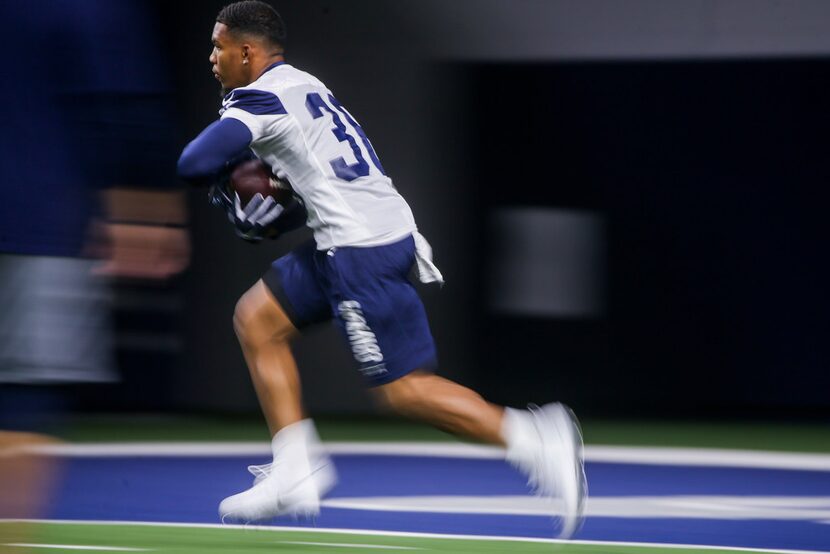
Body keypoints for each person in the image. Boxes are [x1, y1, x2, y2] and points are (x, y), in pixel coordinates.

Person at [177, 0, 586, 538]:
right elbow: (311, 177)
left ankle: (536, 439)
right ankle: (297, 468)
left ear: (247, 51)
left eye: (219, 47)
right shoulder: (303, 83)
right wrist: (282, 200)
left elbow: (193, 163)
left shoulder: (258, 100)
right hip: (354, 233)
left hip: (358, 247)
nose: (212, 58)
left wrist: (232, 180)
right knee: (257, 320)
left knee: (405, 390)